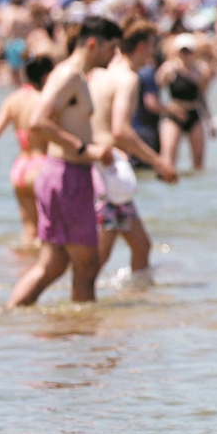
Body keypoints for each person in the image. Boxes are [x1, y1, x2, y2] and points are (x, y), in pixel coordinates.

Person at [7, 16, 122, 307]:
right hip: (67, 176)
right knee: (87, 266)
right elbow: (38, 120)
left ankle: (11, 318)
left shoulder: (73, 76)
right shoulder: (69, 75)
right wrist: (84, 149)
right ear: (93, 44)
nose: (114, 55)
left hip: (63, 174)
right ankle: (86, 333)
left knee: (54, 264)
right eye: (112, 48)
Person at [88, 23, 180, 282]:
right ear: (141, 47)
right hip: (107, 171)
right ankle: (82, 297)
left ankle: (137, 298)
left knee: (141, 246)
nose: (153, 53)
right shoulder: (128, 79)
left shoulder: (101, 73)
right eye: (152, 46)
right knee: (101, 253)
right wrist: (159, 162)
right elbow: (120, 130)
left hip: (99, 165)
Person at [0, 55, 56, 248]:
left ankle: (21, 265)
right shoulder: (45, 101)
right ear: (47, 76)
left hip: (20, 169)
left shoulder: (13, 100)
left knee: (29, 232)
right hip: (41, 167)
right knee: (49, 234)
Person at [157, 34, 213, 172]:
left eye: (188, 51)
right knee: (168, 159)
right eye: (182, 51)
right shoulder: (169, 69)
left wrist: (209, 122)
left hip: (193, 113)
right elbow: (155, 91)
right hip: (174, 114)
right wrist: (165, 109)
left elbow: (202, 97)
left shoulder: (200, 71)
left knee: (199, 161)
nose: (185, 55)